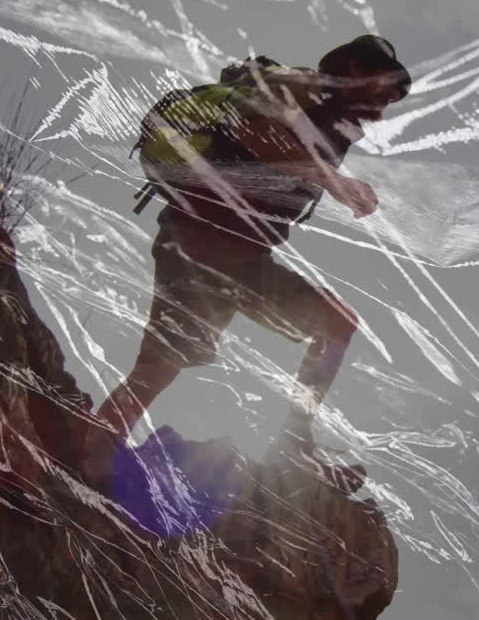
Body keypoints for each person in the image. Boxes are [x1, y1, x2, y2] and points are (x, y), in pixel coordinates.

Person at [87, 36, 410, 474]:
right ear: (355, 69)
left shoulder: (332, 121)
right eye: (385, 91)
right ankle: (82, 453)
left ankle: (294, 440)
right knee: (158, 368)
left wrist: (332, 179)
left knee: (336, 322)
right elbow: (251, 131)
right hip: (198, 244)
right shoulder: (298, 84)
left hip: (241, 259)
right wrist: (328, 177)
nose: (384, 107)